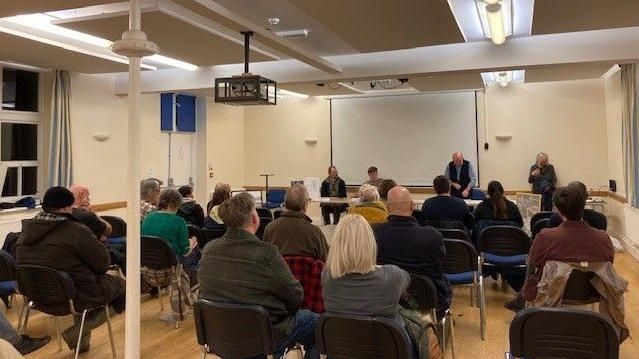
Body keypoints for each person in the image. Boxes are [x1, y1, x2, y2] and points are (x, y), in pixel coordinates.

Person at [197, 192, 319, 359]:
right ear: (254, 218)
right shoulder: (266, 254)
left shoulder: (209, 250)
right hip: (263, 337)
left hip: (219, 335)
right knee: (317, 323)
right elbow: (295, 297)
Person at [16, 187, 126, 353]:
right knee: (125, 288)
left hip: (37, 297)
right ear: (68, 207)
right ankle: (75, 334)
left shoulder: (26, 232)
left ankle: (82, 344)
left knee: (76, 278)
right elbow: (103, 264)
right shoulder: (76, 230)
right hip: (73, 297)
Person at [322, 214, 420, 358]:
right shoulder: (391, 276)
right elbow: (407, 278)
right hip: (389, 351)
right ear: (370, 243)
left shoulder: (327, 276)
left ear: (336, 244)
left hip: (343, 351)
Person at [506, 185, 615, 312]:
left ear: (558, 209)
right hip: (593, 292)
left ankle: (522, 298)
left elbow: (534, 262)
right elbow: (609, 266)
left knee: (531, 262)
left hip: (551, 291)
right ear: (583, 206)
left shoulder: (545, 237)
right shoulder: (603, 238)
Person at [374, 186, 452, 318]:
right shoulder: (432, 236)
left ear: (387, 208)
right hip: (429, 303)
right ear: (412, 205)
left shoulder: (375, 234)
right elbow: (441, 263)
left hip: (387, 300)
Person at [263, 184, 329, 261]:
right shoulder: (315, 232)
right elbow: (326, 262)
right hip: (306, 273)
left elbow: (264, 260)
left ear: (285, 203)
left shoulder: (270, 229)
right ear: (304, 204)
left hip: (277, 272)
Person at [141, 188, 199, 271]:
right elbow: (185, 252)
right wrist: (193, 242)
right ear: (178, 203)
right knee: (196, 251)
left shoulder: (148, 217)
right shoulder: (179, 221)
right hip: (172, 264)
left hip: (148, 263)